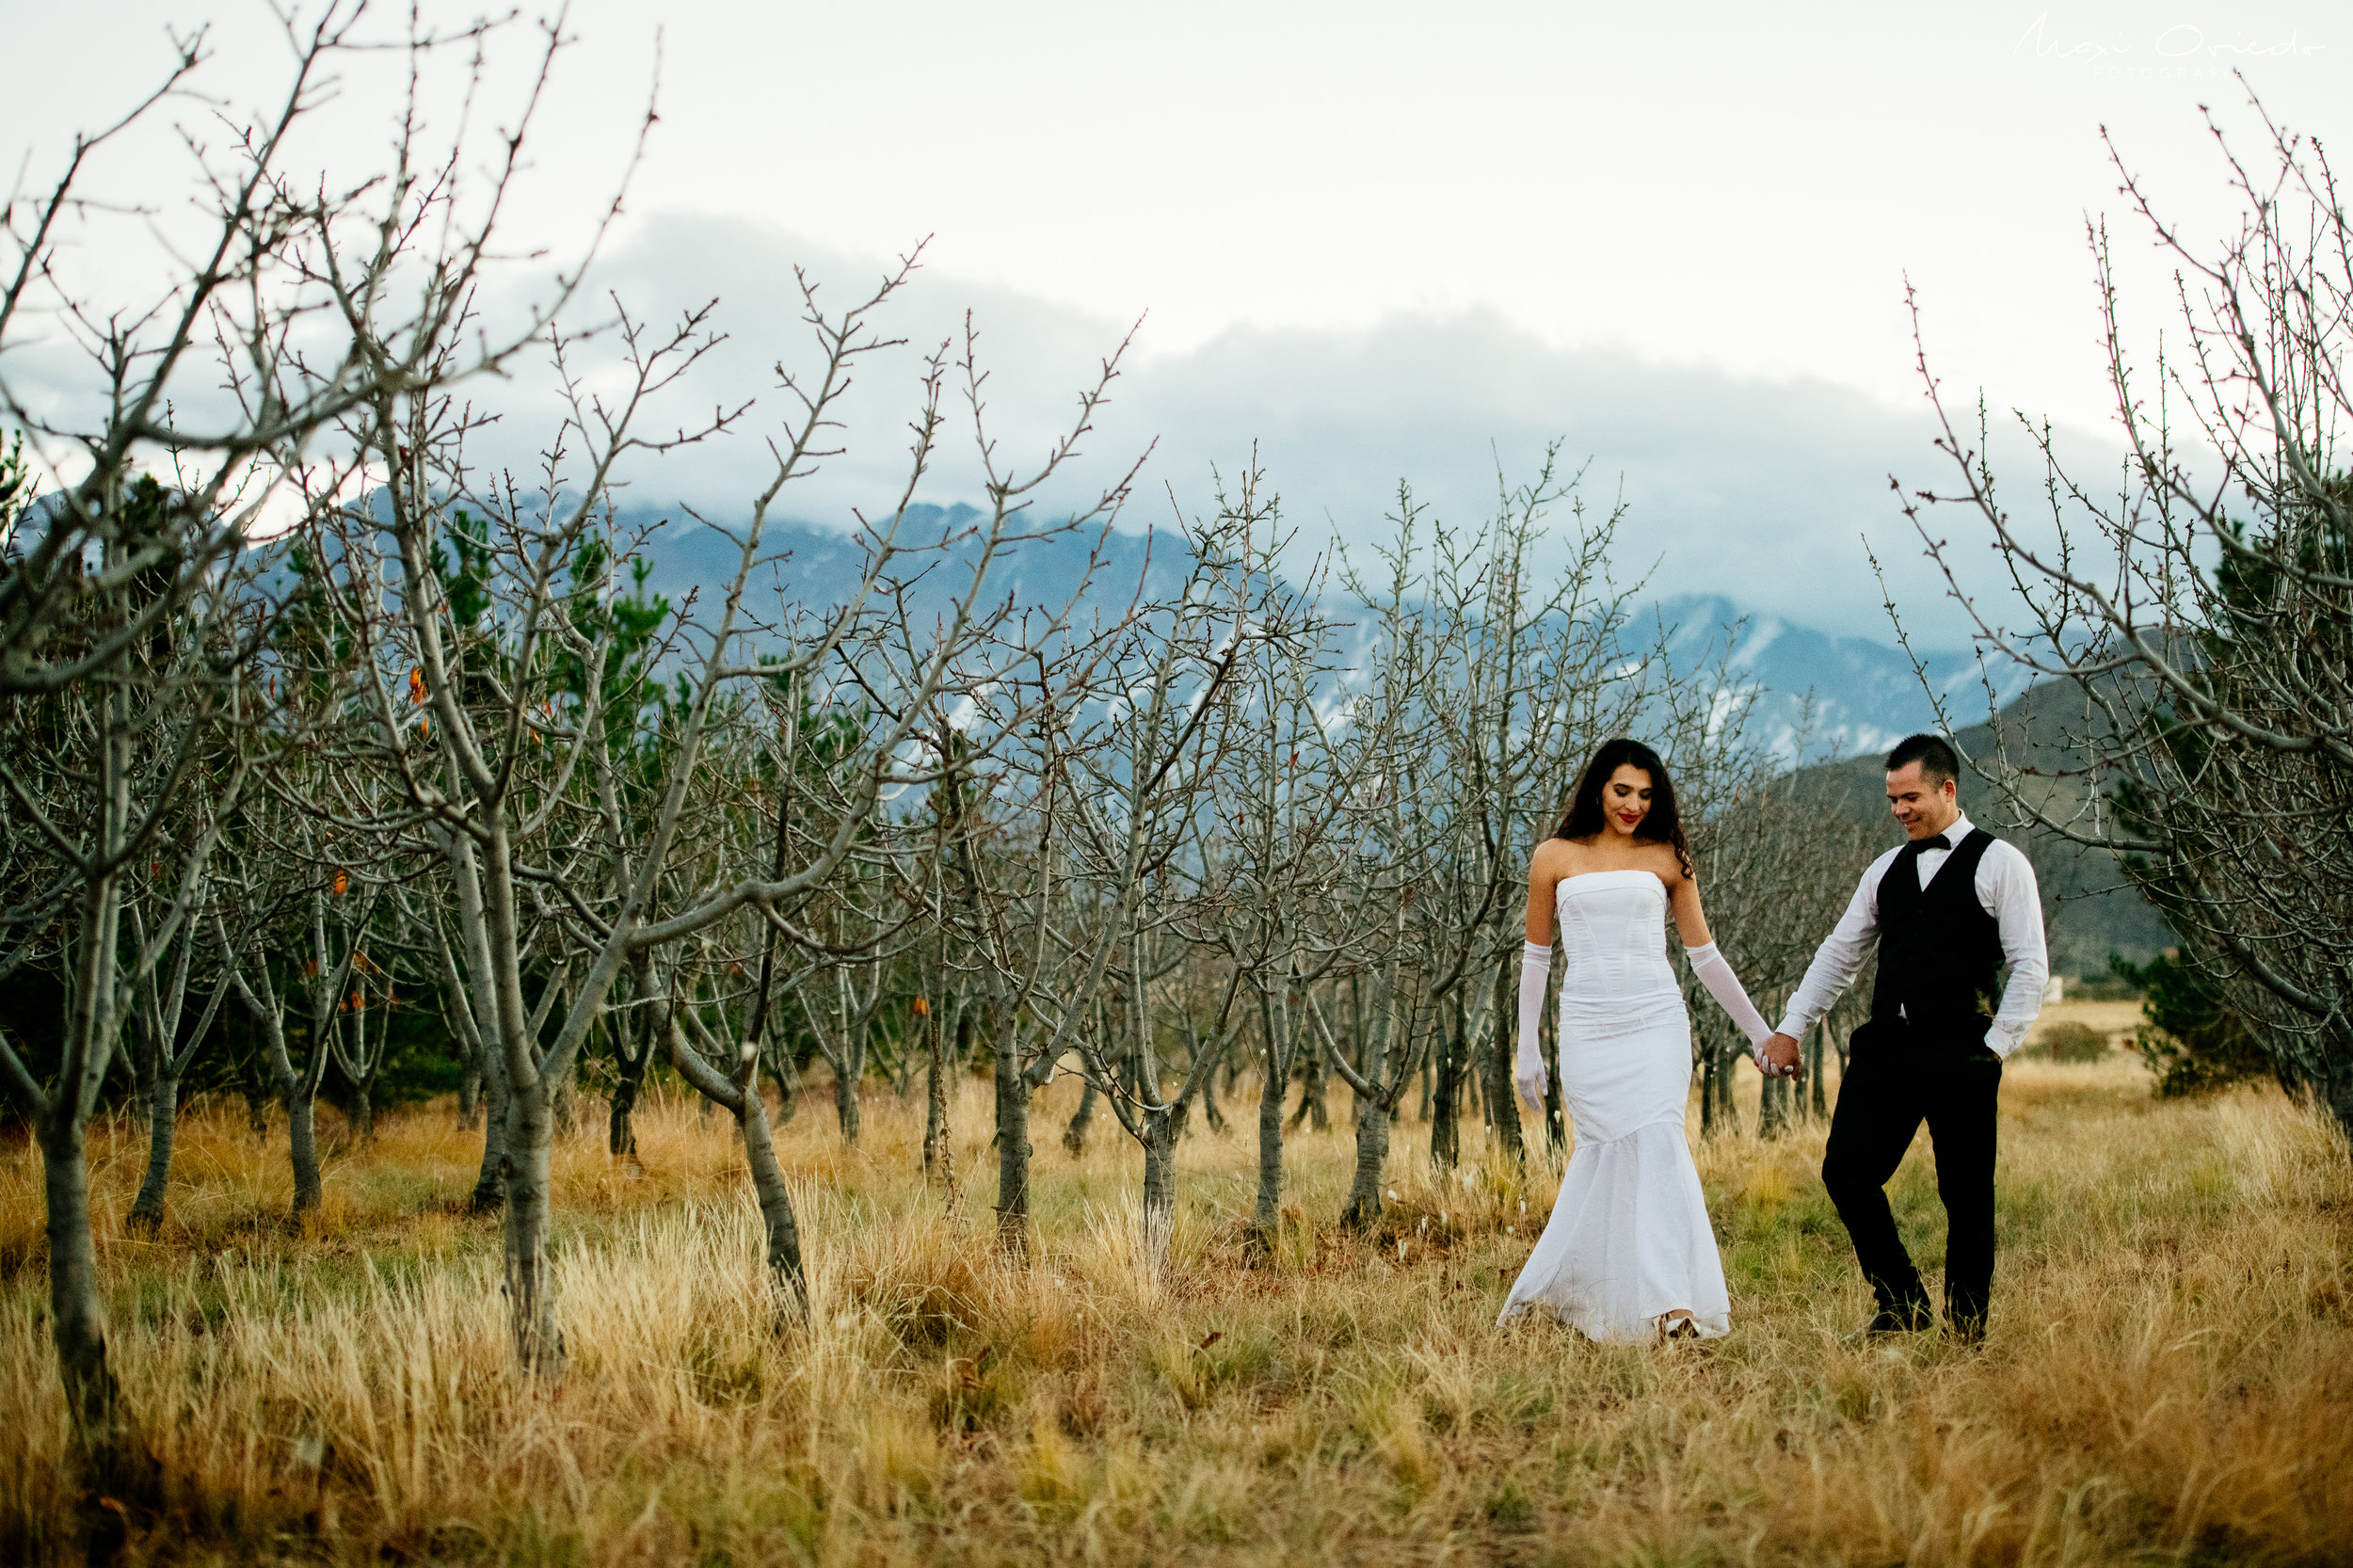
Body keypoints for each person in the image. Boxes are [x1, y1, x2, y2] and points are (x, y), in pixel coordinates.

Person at [1757, 733, 2047, 1344]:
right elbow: (1839, 955)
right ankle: (1901, 1303)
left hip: (1963, 1052)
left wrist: (1994, 1049)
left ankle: (1966, 1333)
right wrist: (1791, 1027)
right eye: (1892, 799)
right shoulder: (1884, 871)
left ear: (1948, 790)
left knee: (1966, 1196)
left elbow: (2030, 966)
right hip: (1887, 1050)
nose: (1899, 810)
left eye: (1910, 797)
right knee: (1845, 1173)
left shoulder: (2001, 864)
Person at [1498, 738, 1780, 1343]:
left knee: (1657, 1142)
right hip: (1588, 1028)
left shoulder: (1667, 857)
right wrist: (1528, 1049)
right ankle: (1577, 1288)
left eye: (1646, 795)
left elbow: (1704, 957)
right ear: (1598, 787)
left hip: (1656, 1021)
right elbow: (1536, 959)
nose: (1633, 804)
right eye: (1622, 790)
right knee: (1603, 1156)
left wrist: (1761, 1033)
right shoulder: (1554, 857)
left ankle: (1669, 1303)